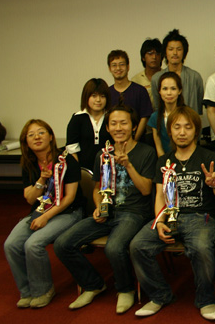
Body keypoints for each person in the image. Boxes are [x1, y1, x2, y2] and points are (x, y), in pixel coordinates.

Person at [54, 104, 157, 314]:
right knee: (62, 244)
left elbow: (147, 190)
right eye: (113, 124)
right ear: (107, 128)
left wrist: (128, 165)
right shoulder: (102, 154)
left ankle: (126, 289)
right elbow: (97, 188)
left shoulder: (146, 152)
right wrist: (100, 205)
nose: (118, 128)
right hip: (107, 211)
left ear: (133, 126)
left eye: (124, 123)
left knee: (114, 247)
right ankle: (93, 284)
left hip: (134, 212)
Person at [130, 106, 215, 319]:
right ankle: (160, 295)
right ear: (170, 131)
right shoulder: (164, 161)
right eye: (177, 127)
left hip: (201, 217)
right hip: (170, 217)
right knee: (138, 245)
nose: (182, 132)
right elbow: (159, 196)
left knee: (201, 248)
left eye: (188, 127)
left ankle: (206, 299)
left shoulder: (209, 157)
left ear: (196, 131)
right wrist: (160, 221)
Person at [4, 119, 83, 308]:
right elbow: (30, 198)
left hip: (68, 212)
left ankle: (43, 290)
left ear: (51, 137)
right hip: (39, 211)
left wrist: (46, 217)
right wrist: (41, 179)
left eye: (41, 132)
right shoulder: (29, 164)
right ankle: (27, 291)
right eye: (31, 135)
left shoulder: (66, 160)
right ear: (26, 142)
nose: (37, 137)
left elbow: (69, 198)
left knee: (33, 244)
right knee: (11, 244)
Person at [151, 29, 204, 114]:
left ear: (184, 52)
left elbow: (199, 106)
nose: (175, 53)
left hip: (190, 120)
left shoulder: (195, 77)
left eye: (179, 49)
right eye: (171, 49)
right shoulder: (156, 78)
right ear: (165, 52)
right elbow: (158, 107)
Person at [107, 49, 153, 142]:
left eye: (121, 64)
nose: (118, 68)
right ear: (109, 69)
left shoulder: (140, 90)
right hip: (113, 144)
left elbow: (144, 118)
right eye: (114, 65)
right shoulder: (107, 93)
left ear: (128, 67)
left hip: (138, 142)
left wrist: (133, 141)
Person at [66, 78, 112, 170]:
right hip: (83, 170)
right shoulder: (77, 118)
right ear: (86, 96)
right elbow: (72, 149)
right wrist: (79, 172)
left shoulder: (112, 117)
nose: (98, 100)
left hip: (109, 168)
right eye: (94, 96)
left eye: (102, 96)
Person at [148, 72, 184, 157]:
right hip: (165, 161)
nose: (169, 93)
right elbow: (159, 147)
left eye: (173, 89)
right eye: (165, 89)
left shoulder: (188, 114)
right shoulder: (155, 117)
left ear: (179, 91)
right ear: (159, 91)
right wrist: (164, 163)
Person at [131, 38, 163, 107]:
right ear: (143, 57)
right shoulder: (136, 80)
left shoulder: (168, 76)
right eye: (150, 53)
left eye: (157, 54)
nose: (154, 57)